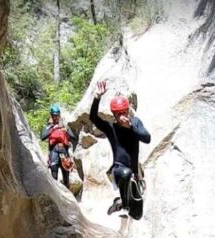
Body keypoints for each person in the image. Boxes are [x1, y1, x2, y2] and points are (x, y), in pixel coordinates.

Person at [89, 80, 151, 219]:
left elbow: (147, 138)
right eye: (118, 114)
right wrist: (97, 97)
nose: (122, 116)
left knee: (137, 215)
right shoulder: (111, 128)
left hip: (134, 174)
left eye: (124, 112)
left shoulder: (135, 122)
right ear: (114, 115)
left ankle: (118, 203)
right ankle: (123, 206)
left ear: (128, 111)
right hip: (119, 171)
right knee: (125, 172)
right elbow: (93, 117)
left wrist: (131, 128)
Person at [40, 104, 77, 188]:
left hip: (64, 152)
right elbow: (43, 137)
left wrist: (66, 131)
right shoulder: (48, 127)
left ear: (59, 115)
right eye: (54, 115)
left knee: (66, 176)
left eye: (57, 115)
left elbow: (73, 138)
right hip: (54, 152)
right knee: (54, 175)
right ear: (51, 116)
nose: (55, 117)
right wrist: (53, 128)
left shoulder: (64, 126)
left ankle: (68, 194)